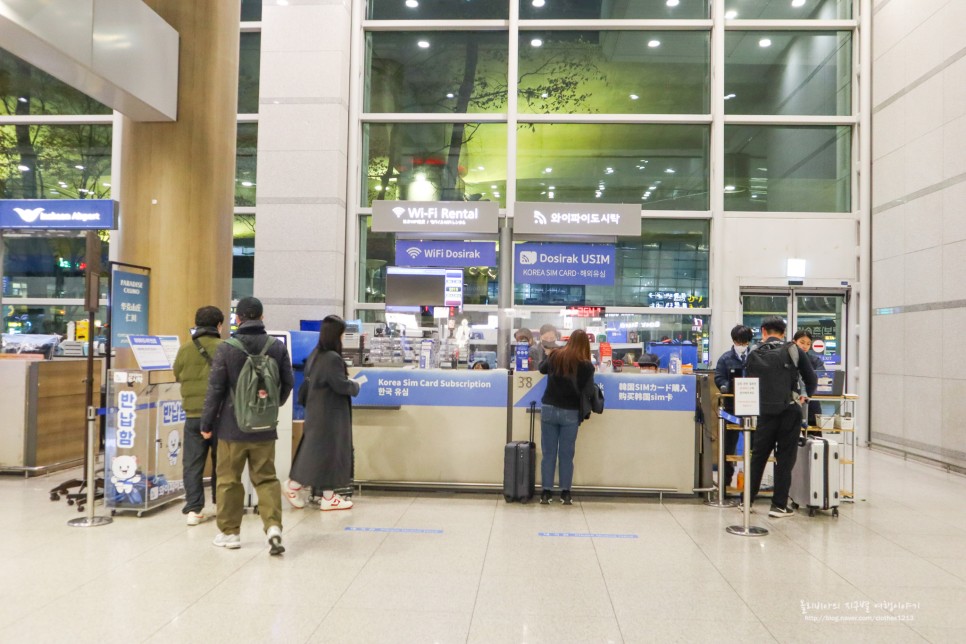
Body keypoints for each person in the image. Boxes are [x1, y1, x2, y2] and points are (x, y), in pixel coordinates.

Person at [201, 297, 294, 553]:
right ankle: (273, 527)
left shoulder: (226, 348)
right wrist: (269, 408)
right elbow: (287, 383)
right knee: (266, 479)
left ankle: (230, 533)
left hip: (231, 428)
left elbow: (215, 390)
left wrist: (207, 423)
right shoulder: (276, 347)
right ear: (262, 318)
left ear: (237, 319)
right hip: (265, 429)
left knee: (229, 480)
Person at [284, 315, 361, 511]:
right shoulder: (332, 359)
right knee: (319, 454)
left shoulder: (315, 354)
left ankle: (328, 496)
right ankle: (293, 485)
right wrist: (355, 385)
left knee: (326, 454)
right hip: (329, 414)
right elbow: (340, 385)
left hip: (318, 412)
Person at [744, 316, 817, 518]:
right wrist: (805, 396)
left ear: (763, 331)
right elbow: (811, 379)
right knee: (784, 459)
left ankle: (747, 501)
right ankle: (778, 506)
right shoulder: (793, 350)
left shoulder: (753, 351)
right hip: (789, 411)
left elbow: (746, 381)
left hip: (764, 412)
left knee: (758, 457)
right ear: (783, 333)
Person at [172, 305, 223, 526]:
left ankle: (193, 509)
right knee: (221, 462)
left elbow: (177, 374)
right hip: (221, 415)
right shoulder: (225, 347)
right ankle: (221, 505)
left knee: (192, 463)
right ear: (219, 325)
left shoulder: (184, 349)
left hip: (193, 415)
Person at [538, 328, 595, 506]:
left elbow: (541, 369)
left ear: (569, 341)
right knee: (566, 454)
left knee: (548, 453)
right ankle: (565, 493)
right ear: (586, 345)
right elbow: (588, 391)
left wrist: (549, 353)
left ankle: (546, 493)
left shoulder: (556, 355)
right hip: (570, 413)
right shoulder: (587, 365)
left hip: (549, 409)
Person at [713, 324, 753, 491]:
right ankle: (725, 483)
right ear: (733, 341)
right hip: (731, 408)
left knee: (753, 449)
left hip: (752, 408)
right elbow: (718, 377)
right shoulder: (725, 358)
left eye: (745, 342)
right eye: (739, 341)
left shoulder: (755, 356)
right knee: (728, 449)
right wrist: (726, 386)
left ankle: (751, 486)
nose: (742, 345)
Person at [793, 330, 825, 431]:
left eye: (808, 344)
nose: (805, 346)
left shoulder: (815, 360)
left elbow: (820, 376)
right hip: (792, 401)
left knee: (814, 432)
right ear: (794, 342)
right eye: (802, 342)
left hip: (811, 401)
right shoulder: (787, 359)